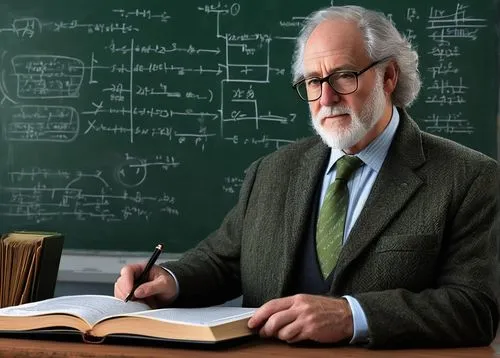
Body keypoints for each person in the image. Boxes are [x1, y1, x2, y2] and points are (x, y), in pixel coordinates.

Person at [115, 5, 499, 348]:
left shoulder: (469, 178)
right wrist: (169, 279)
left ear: (388, 76)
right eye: (314, 81)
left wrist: (352, 316)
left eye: (344, 76)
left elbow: (476, 309)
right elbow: (223, 263)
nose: (327, 97)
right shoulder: (272, 171)